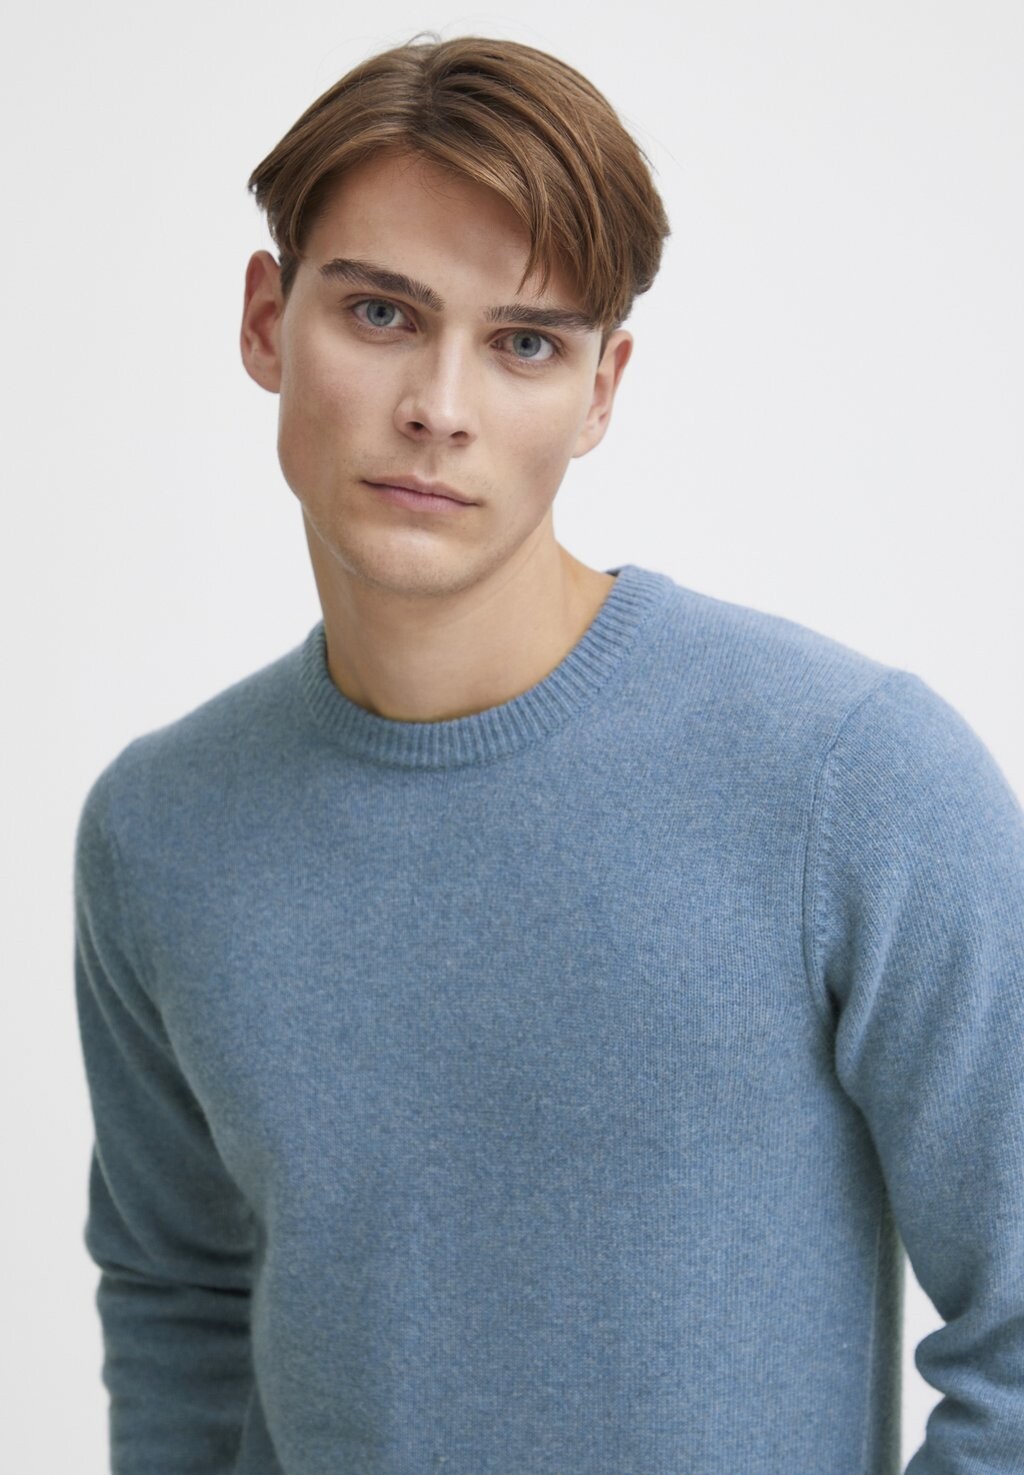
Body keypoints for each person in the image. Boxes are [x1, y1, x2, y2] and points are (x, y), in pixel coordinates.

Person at [72, 31, 1024, 1475]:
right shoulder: (162, 827)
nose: (439, 407)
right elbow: (178, 1300)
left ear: (601, 389)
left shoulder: (853, 781)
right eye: (381, 313)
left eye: (526, 343)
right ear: (267, 321)